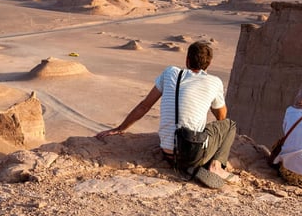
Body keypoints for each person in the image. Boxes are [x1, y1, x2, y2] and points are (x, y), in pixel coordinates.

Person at [95, 41, 238, 185]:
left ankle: (188, 164)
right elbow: (221, 117)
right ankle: (216, 166)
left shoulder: (170, 72)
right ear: (209, 64)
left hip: (168, 152)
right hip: (193, 151)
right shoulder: (214, 82)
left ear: (187, 60)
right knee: (229, 125)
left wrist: (120, 128)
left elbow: (144, 106)